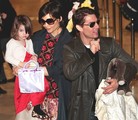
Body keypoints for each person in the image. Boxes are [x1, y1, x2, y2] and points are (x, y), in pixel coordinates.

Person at [62, 7, 138, 120]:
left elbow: (133, 64)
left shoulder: (109, 44)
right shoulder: (70, 48)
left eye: (97, 22)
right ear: (79, 27)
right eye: (92, 24)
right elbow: (70, 73)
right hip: (85, 110)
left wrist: (119, 81)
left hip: (107, 108)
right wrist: (90, 54)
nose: (97, 26)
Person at [30, 1, 72, 120]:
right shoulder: (37, 37)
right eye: (43, 21)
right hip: (38, 95)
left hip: (58, 95)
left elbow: (63, 67)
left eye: (50, 21)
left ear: (60, 19)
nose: (46, 25)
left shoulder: (69, 40)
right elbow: (25, 56)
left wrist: (43, 70)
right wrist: (18, 66)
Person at [5, 15, 49, 120]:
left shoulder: (28, 41)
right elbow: (7, 57)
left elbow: (31, 52)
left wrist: (35, 56)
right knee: (25, 95)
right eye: (21, 30)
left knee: (41, 85)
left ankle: (36, 105)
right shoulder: (11, 43)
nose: (25, 34)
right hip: (21, 73)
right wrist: (21, 64)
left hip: (30, 69)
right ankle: (25, 113)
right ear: (15, 29)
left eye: (27, 31)